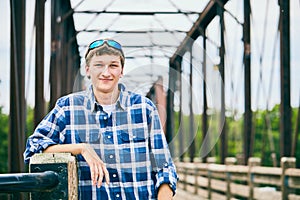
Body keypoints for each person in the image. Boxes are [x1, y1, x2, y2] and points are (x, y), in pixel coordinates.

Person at [24, 39, 178, 199]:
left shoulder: (144, 108)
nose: (106, 73)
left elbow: (164, 168)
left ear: (121, 71)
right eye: (99, 65)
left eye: (113, 65)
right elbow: (33, 149)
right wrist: (81, 148)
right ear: (88, 69)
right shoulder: (68, 108)